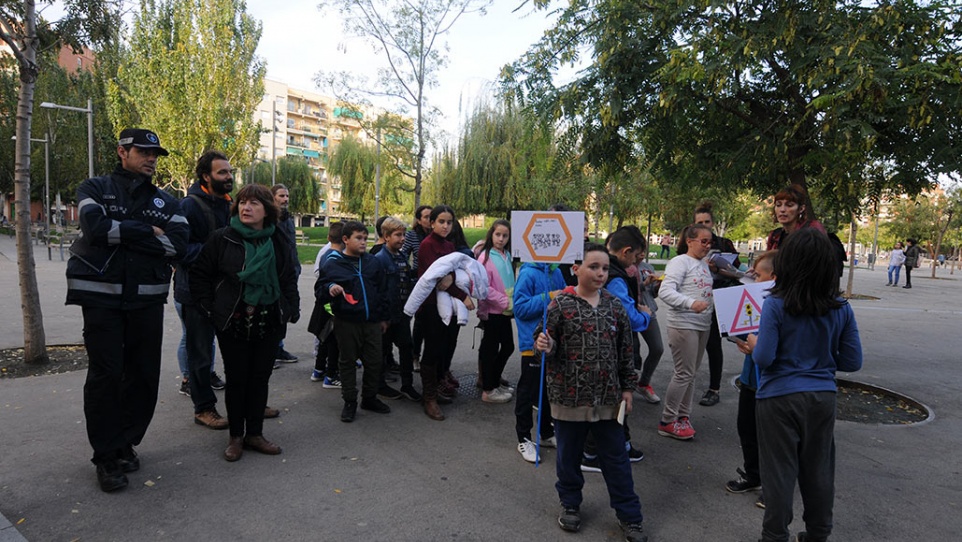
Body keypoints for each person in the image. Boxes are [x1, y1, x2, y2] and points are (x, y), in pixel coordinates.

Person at [66, 128, 188, 491]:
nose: (151, 158)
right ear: (122, 152)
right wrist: (148, 232)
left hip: (146, 299)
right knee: (106, 376)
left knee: (143, 375)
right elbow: (95, 229)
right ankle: (105, 456)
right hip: (100, 298)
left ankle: (125, 443)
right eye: (144, 151)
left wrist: (132, 233)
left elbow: (179, 247)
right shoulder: (94, 188)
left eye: (155, 154)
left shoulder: (168, 202)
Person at [745, 228, 862, 542]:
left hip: (778, 399)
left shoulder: (775, 304)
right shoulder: (841, 307)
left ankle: (774, 535)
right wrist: (818, 357)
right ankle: (818, 533)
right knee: (819, 470)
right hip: (822, 397)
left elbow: (765, 357)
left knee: (779, 472)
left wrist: (755, 343)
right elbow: (852, 361)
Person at [534, 243, 648, 542]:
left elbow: (626, 351)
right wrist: (544, 344)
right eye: (593, 267)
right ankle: (570, 503)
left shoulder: (614, 305)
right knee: (568, 457)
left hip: (609, 399)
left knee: (616, 459)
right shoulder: (559, 305)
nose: (600, 273)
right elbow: (545, 342)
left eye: (605, 268)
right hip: (568, 397)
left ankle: (630, 516)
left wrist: (628, 389)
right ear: (576, 269)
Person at [190, 183, 299, 461]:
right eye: (242, 203)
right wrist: (209, 309)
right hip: (232, 321)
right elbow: (200, 275)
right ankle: (236, 437)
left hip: (269, 320)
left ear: (267, 210)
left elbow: (288, 277)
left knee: (259, 379)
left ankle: (255, 434)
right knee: (237, 380)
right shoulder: (222, 238)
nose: (246, 208)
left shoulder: (278, 240)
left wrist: (289, 308)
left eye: (254, 203)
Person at [175, 151, 235, 430]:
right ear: (206, 176)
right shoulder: (189, 206)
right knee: (200, 354)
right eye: (222, 172)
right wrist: (217, 253)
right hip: (195, 293)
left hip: (228, 292)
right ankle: (204, 408)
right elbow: (178, 249)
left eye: (230, 171)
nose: (229, 177)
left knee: (237, 350)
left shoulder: (229, 205)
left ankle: (244, 402)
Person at [317, 221, 392, 422]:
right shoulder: (334, 263)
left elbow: (383, 291)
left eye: (365, 239)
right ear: (345, 239)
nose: (363, 242)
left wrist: (384, 317)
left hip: (372, 322)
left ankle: (369, 397)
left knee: (375, 361)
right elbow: (321, 289)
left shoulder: (372, 262)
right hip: (347, 321)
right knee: (347, 361)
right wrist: (330, 287)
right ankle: (350, 401)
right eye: (358, 238)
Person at [724, 250, 776, 508]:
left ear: (774, 277)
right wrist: (743, 342)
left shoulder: (782, 306)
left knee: (772, 436)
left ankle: (774, 486)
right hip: (750, 378)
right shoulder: (756, 299)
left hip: (772, 383)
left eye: (758, 275)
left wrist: (758, 347)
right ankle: (753, 475)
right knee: (746, 427)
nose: (753, 280)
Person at [414, 205, 475, 420]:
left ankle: (437, 388)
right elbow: (440, 280)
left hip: (446, 305)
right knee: (431, 350)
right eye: (441, 221)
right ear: (431, 223)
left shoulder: (449, 245)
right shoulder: (427, 245)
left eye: (449, 222)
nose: (445, 226)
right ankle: (428, 397)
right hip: (430, 306)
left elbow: (453, 276)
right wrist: (463, 297)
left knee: (443, 347)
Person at [656, 224, 714, 440]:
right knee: (684, 373)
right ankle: (667, 420)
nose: (708, 246)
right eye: (703, 241)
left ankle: (683, 416)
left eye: (710, 242)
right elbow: (665, 291)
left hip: (702, 325)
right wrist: (690, 303)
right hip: (683, 323)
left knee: (690, 373)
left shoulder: (704, 264)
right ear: (689, 241)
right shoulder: (680, 262)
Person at [513, 244, 565, 462]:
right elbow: (520, 308)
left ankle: (545, 432)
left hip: (553, 343)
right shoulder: (527, 272)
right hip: (531, 343)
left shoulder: (557, 270)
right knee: (529, 390)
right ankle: (524, 438)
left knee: (547, 390)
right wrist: (551, 296)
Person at [692, 202, 741, 407]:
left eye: (707, 221)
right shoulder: (691, 242)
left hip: (719, 298)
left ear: (713, 222)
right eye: (699, 222)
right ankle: (686, 382)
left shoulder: (724, 243)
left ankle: (714, 389)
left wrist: (719, 269)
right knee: (693, 344)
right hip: (695, 298)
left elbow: (738, 272)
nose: (704, 225)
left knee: (713, 344)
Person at [374, 217, 422, 402]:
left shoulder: (401, 256)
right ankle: (379, 386)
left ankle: (407, 385)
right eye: (398, 235)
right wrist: (382, 318)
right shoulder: (380, 259)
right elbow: (378, 291)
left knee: (406, 347)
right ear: (386, 237)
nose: (402, 239)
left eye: (403, 234)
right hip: (387, 315)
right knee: (382, 350)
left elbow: (406, 279)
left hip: (401, 313)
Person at [474, 219, 516, 404]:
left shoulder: (506, 254)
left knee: (507, 347)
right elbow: (483, 287)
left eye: (505, 235)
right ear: (491, 234)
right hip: (493, 310)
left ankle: (493, 382)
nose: (501, 238)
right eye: (497, 234)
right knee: (491, 349)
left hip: (504, 311)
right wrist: (504, 301)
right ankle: (488, 389)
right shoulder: (485, 257)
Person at [310, 222, 344, 388]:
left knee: (325, 338)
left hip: (324, 305)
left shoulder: (325, 253)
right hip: (332, 307)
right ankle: (331, 375)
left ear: (329, 237)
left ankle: (318, 369)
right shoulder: (336, 258)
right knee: (334, 342)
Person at [271, 184, 301, 364]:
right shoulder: (269, 220)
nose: (285, 199)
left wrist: (296, 267)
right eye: (281, 196)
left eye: (287, 196)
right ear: (273, 197)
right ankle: (269, 352)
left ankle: (278, 349)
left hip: (290, 273)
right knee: (274, 314)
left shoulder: (288, 220)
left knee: (286, 312)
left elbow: (292, 247)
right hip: (275, 275)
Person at [403, 205, 433, 369]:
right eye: (426, 217)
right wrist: (411, 272)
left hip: (437, 282)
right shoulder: (413, 235)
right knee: (420, 322)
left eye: (431, 216)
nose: (429, 220)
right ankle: (415, 356)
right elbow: (404, 254)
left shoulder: (438, 235)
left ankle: (431, 356)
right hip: (419, 281)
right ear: (419, 220)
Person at [765, 185, 826, 251]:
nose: (782, 209)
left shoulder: (813, 230)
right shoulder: (775, 236)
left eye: (789, 205)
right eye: (778, 205)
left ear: (801, 209)